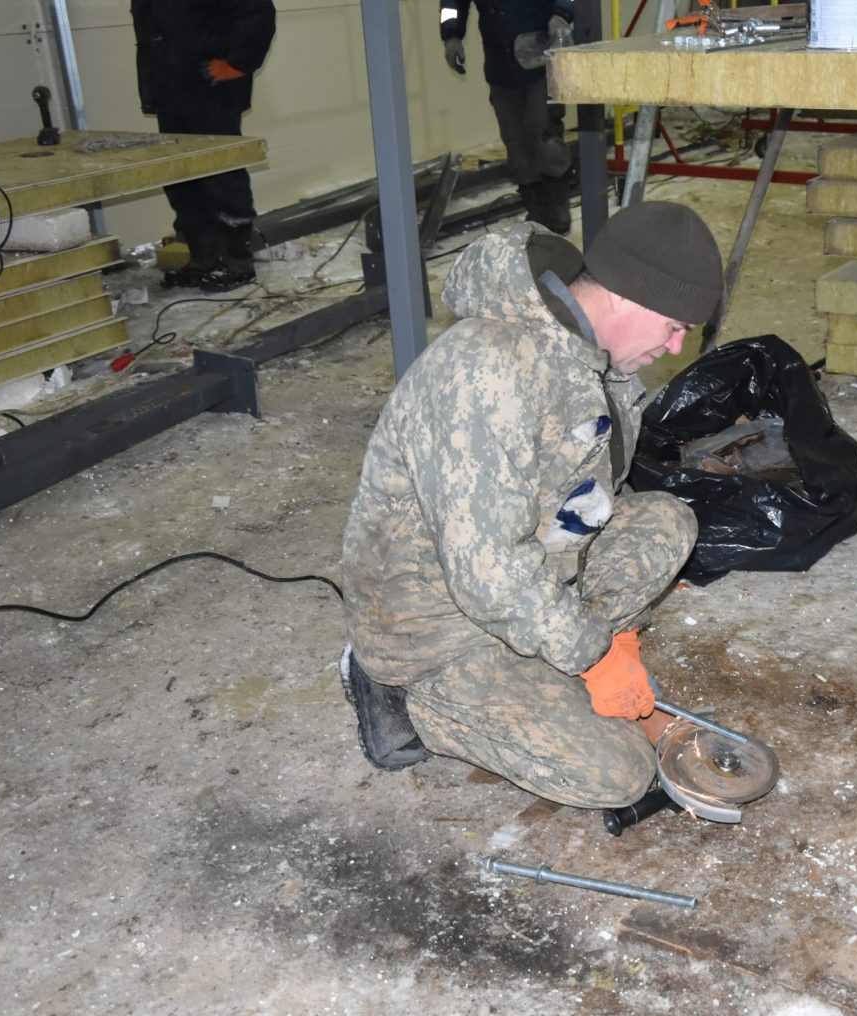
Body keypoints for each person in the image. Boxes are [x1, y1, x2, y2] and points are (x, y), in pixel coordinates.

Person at [338, 202, 723, 809]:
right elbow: (486, 572)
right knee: (619, 773)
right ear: (624, 296)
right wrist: (593, 655)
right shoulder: (486, 372)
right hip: (437, 626)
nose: (675, 346)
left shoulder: (591, 357)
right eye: (672, 326)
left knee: (667, 521)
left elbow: (584, 494)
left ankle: (546, 658)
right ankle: (404, 695)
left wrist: (606, 636)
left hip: (530, 569)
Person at [131, 0, 276, 292]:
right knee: (181, 178)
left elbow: (257, 12)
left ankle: (236, 262)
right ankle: (204, 257)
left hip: (210, 92)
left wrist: (237, 64)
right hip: (171, 92)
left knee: (221, 176)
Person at [441, 0, 575, 235]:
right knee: (515, 140)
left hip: (541, 60)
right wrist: (452, 35)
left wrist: (562, 14)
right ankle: (536, 214)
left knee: (542, 128)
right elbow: (453, 3)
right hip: (500, 66)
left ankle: (557, 212)